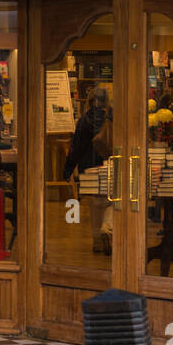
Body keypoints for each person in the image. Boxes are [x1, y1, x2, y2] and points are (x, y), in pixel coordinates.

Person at [64, 86, 113, 254]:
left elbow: (76, 148)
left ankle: (97, 241)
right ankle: (107, 228)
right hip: (109, 164)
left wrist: (69, 169)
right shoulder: (112, 117)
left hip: (89, 167)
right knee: (110, 201)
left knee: (95, 204)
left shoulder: (84, 120)